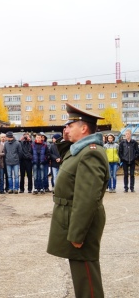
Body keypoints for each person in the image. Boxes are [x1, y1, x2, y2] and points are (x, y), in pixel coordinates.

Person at [47, 103, 109, 298]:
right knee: (82, 277)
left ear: (83, 128)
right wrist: (66, 140)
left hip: (81, 223)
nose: (66, 129)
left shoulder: (90, 153)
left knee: (87, 281)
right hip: (72, 219)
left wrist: (77, 234)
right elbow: (68, 157)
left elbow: (87, 199)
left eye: (70, 125)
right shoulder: (81, 150)